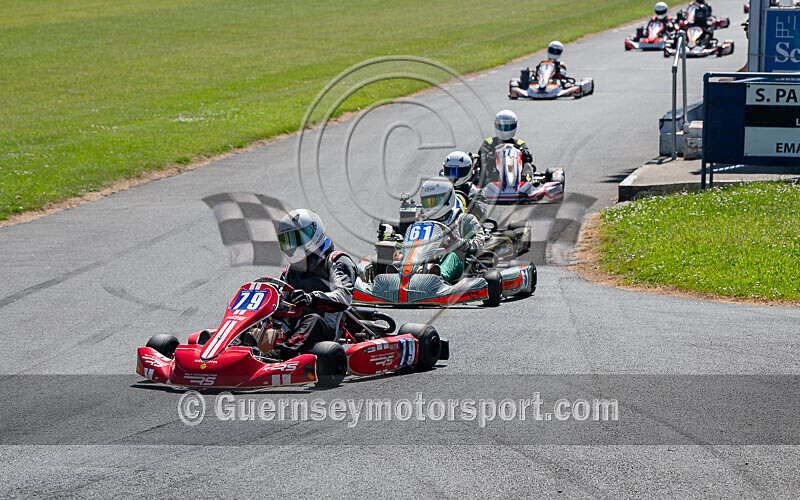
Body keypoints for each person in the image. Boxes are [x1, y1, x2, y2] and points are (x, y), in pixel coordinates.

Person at [267, 209, 357, 359]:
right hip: (292, 327)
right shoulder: (289, 271)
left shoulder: (337, 260)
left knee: (312, 319)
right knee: (256, 319)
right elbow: (280, 302)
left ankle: (279, 355)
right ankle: (232, 349)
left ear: (314, 233)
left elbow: (343, 298)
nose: (292, 246)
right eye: (287, 240)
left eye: (296, 239)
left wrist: (311, 299)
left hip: (324, 331)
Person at [418, 178, 486, 284]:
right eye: (428, 202)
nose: (432, 207)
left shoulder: (466, 220)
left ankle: (439, 277)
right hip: (426, 260)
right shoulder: (422, 223)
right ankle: (400, 276)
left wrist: (461, 243)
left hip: (459, 266)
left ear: (448, 199)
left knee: (452, 256)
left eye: (436, 201)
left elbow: (480, 245)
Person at [475, 110, 534, 184]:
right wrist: (489, 156)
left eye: (508, 127)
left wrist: (525, 153)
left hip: (516, 173)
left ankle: (526, 181)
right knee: (485, 164)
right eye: (502, 127)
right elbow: (481, 157)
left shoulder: (519, 143)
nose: (505, 130)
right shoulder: (489, 143)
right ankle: (489, 181)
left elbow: (529, 157)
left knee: (527, 164)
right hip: (494, 176)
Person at [439, 150, 489, 221]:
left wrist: (471, 204)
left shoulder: (475, 192)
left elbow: (482, 215)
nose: (454, 176)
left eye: (458, 172)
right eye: (450, 172)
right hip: (441, 223)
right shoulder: (440, 189)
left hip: (464, 225)